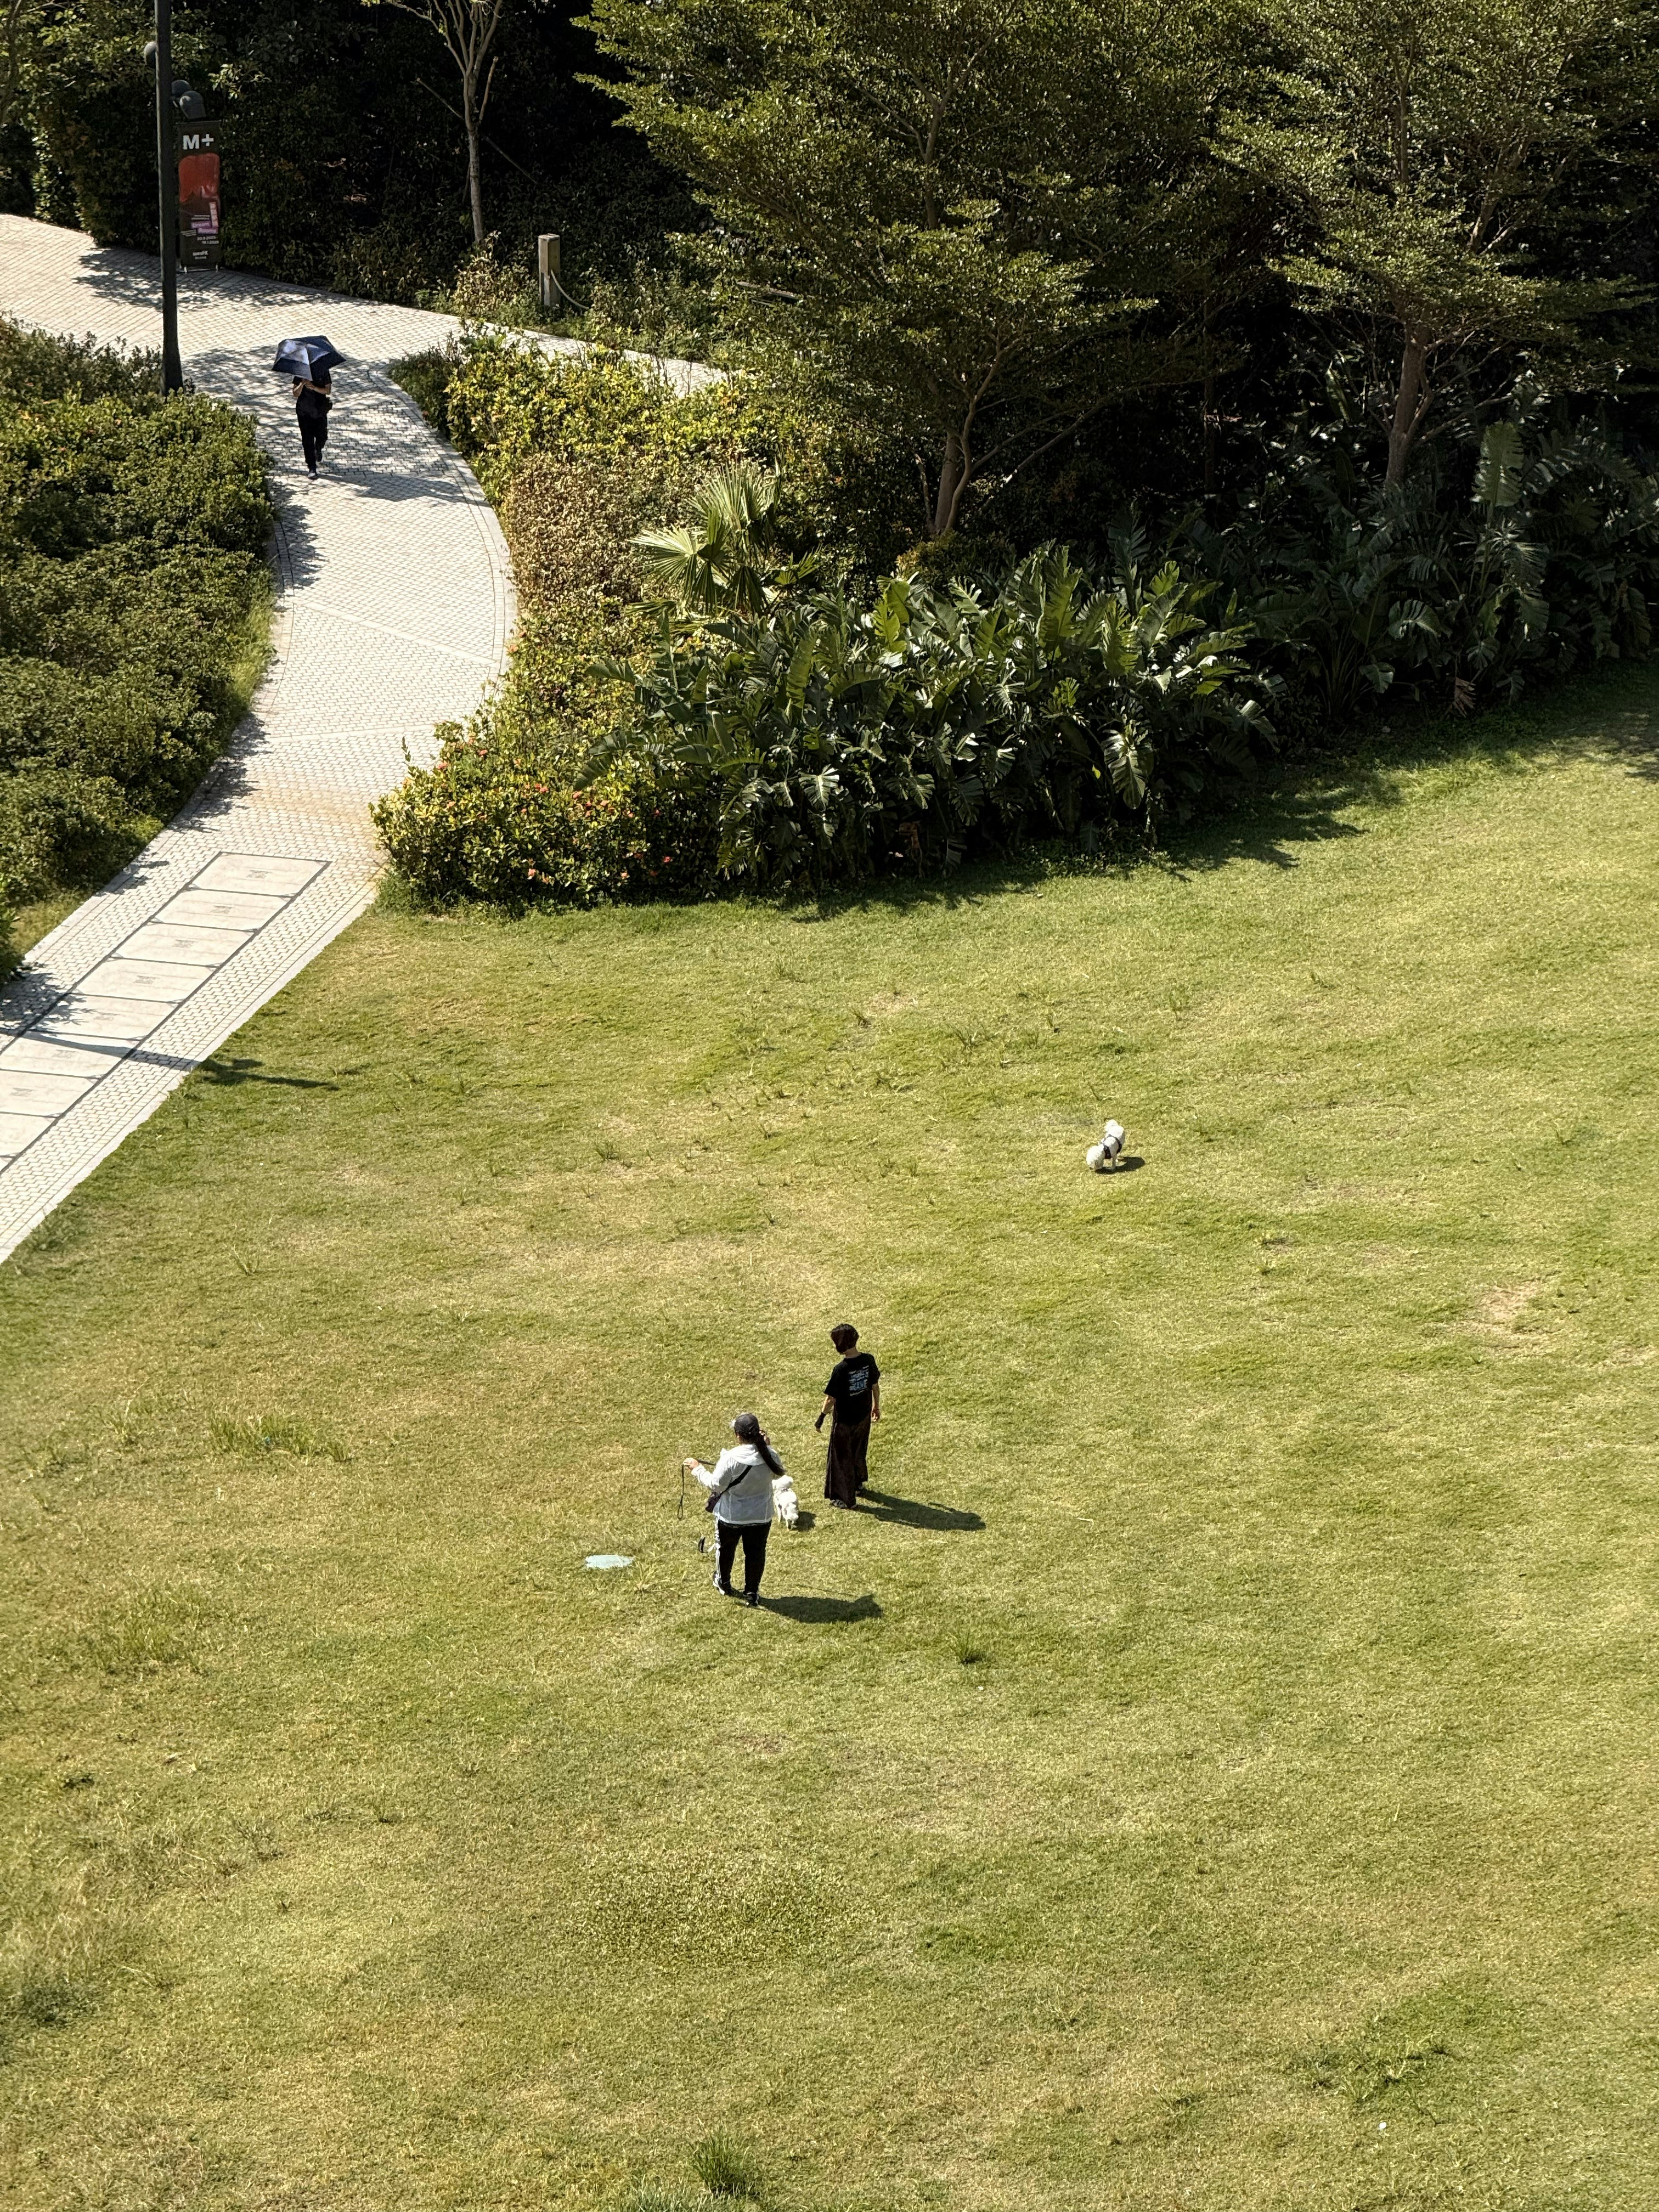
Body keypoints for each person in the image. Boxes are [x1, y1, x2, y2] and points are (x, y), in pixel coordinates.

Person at [688, 1412, 782, 1607]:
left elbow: (716, 1485)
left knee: (725, 1550)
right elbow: (777, 1474)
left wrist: (698, 1469)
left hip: (731, 1516)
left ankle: (723, 1582)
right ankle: (752, 1591)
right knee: (756, 1553)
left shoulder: (730, 1458)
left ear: (738, 1436)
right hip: (761, 1516)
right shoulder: (770, 1455)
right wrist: (769, 1446)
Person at [817, 1321, 879, 1510]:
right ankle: (858, 1484)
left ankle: (846, 1499)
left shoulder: (841, 1369)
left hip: (844, 1421)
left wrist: (821, 1418)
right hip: (863, 1417)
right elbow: (875, 1385)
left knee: (841, 1458)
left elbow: (831, 1399)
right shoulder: (868, 1360)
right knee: (858, 1451)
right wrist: (876, 1407)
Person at [294, 370, 332, 476]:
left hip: (319, 410)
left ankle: (318, 448)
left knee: (322, 435)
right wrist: (302, 384)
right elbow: (295, 393)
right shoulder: (300, 371)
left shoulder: (323, 370)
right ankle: (312, 467)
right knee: (307, 440)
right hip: (304, 412)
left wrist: (314, 387)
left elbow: (328, 390)